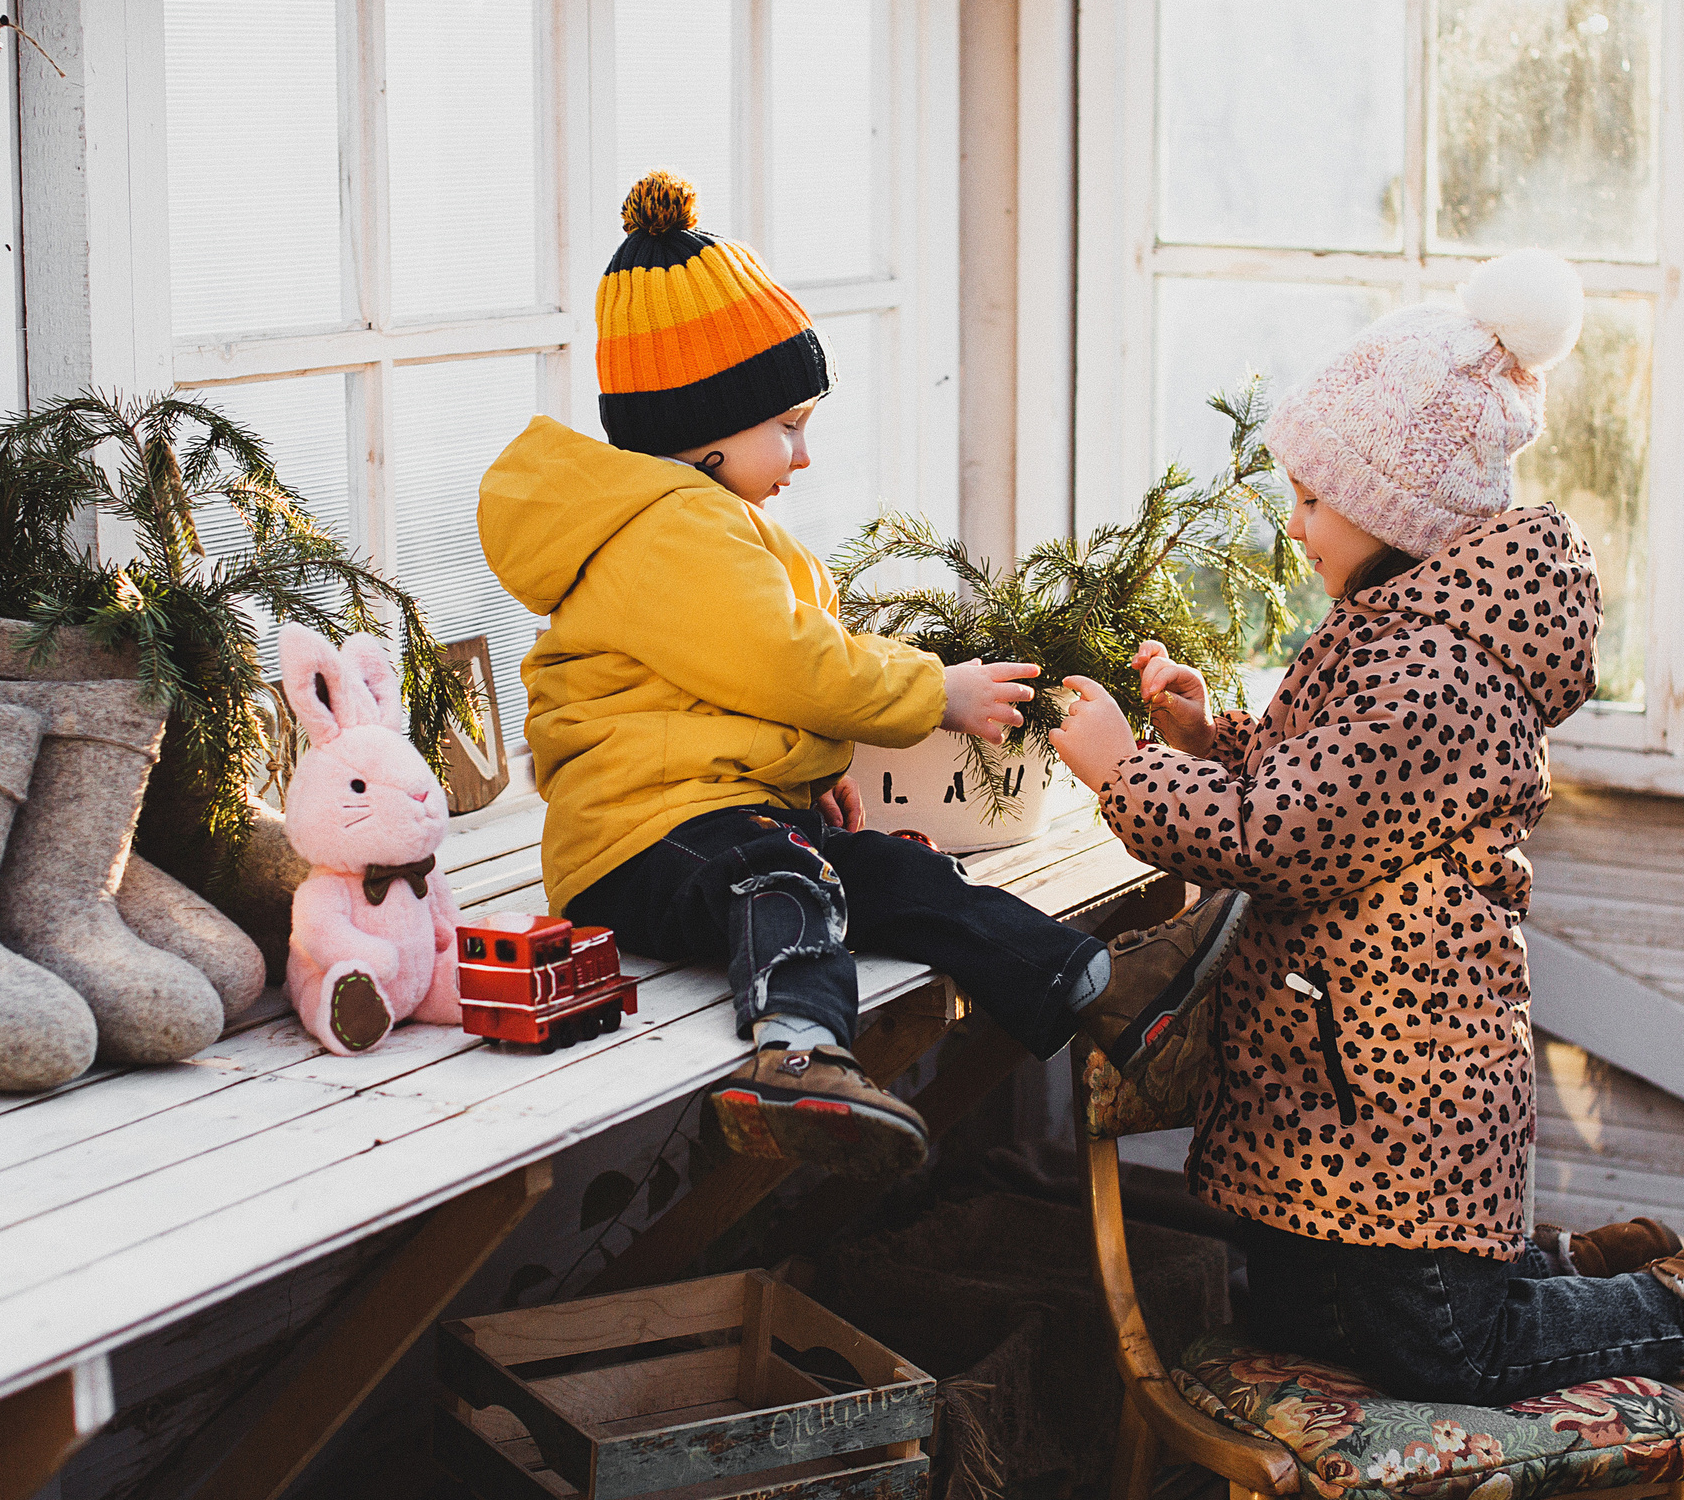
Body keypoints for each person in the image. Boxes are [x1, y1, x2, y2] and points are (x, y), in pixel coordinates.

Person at [1047, 250, 1684, 1486]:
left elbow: (1284, 832)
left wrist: (1120, 773)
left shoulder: (1437, 673)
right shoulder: (1392, 638)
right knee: (1302, 1309)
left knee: (1444, 1343)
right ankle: (1576, 1269)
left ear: (1397, 507)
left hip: (1403, 1076)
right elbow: (1321, 781)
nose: (1290, 524)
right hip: (1340, 1073)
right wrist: (1209, 739)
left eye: (1310, 498)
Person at [477, 169, 1247, 1179]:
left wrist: (798, 778)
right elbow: (787, 662)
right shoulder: (668, 531)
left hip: (708, 815)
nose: (802, 454)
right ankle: (797, 1054)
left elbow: (726, 692)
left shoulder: (701, 524)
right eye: (785, 426)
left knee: (901, 873)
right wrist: (938, 691)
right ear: (703, 435)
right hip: (639, 842)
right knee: (783, 877)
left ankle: (1108, 997)